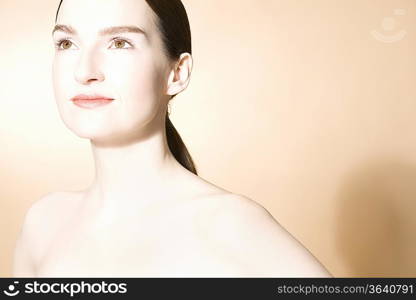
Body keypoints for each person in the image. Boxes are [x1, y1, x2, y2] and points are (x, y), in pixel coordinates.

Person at [12, 0, 332, 277]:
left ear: (177, 73)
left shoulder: (232, 225)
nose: (84, 71)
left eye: (120, 43)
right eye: (66, 43)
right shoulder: (44, 224)